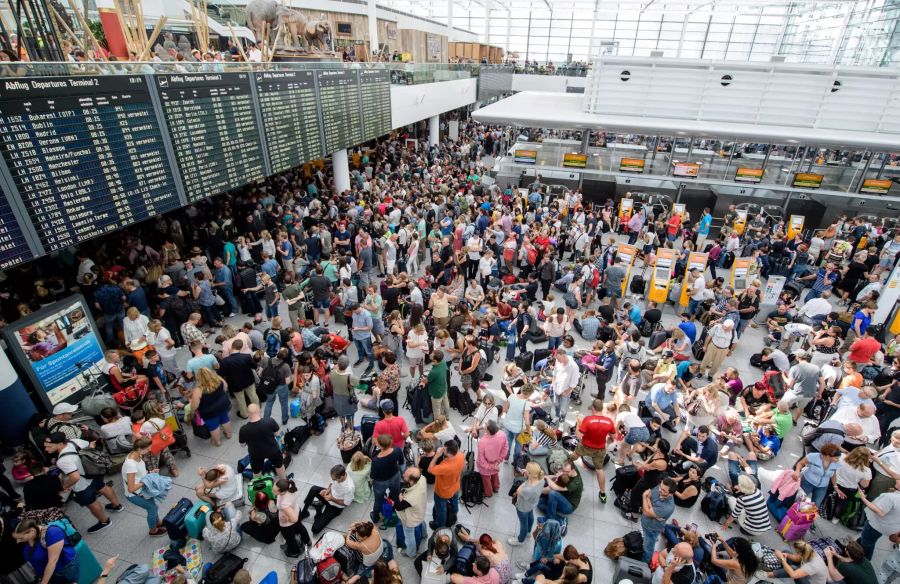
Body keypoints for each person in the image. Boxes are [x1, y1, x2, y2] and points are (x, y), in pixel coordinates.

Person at [43, 432, 123, 534]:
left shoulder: (62, 461)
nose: (46, 449)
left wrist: (64, 486)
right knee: (103, 487)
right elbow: (91, 445)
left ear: (59, 444)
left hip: (82, 485)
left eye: (49, 446)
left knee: (91, 503)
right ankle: (117, 506)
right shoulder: (75, 442)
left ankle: (104, 522)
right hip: (94, 473)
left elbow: (75, 477)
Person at [121, 436, 167, 537]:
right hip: (134, 494)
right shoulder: (131, 464)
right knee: (152, 508)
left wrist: (149, 473)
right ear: (139, 449)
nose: (149, 450)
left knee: (154, 506)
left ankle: (158, 524)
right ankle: (153, 531)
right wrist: (146, 480)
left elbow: (139, 474)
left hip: (142, 490)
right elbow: (131, 488)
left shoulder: (137, 455)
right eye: (147, 448)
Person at [13, 519, 80, 584]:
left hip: (63, 570)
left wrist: (44, 582)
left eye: (21, 538)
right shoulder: (30, 538)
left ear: (32, 531)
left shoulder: (52, 533)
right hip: (47, 574)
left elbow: (53, 561)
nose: (18, 541)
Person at [574, 399, 614, 503]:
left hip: (584, 446)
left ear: (593, 408)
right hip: (600, 450)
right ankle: (602, 493)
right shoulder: (609, 421)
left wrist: (578, 423)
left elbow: (579, 435)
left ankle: (562, 469)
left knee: (573, 457)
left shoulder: (588, 420)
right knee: (599, 470)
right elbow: (614, 436)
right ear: (602, 408)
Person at [299, 464, 355, 535]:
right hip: (329, 495)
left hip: (335, 506)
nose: (334, 480)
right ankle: (304, 512)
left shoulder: (349, 487)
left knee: (315, 529)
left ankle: (318, 510)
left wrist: (332, 499)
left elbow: (346, 503)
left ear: (342, 476)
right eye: (333, 478)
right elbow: (332, 483)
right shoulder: (336, 476)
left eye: (335, 479)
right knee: (314, 489)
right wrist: (327, 490)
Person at [238, 404, 286, 480]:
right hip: (273, 450)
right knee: (279, 466)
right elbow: (277, 434)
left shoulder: (243, 429)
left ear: (248, 413)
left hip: (255, 454)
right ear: (259, 411)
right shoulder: (270, 421)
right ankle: (283, 482)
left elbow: (242, 445)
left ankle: (258, 487)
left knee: (256, 471)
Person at [189, 368, 233, 447]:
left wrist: (191, 406)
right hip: (223, 405)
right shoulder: (218, 379)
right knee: (225, 419)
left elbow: (194, 406)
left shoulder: (198, 390)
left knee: (213, 426)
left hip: (209, 411)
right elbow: (225, 387)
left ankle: (218, 442)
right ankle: (229, 434)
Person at [218, 340, 260, 419]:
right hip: (248, 381)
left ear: (232, 347)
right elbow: (254, 366)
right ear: (241, 348)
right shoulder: (246, 357)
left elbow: (221, 374)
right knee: (253, 395)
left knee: (240, 399)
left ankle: (244, 414)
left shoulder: (224, 361)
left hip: (235, 384)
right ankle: (256, 409)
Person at [429, 439, 465, 528]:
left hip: (443, 491)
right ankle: (454, 516)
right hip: (455, 486)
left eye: (444, 449)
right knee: (454, 502)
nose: (442, 449)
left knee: (441, 509)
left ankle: (440, 525)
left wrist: (436, 455)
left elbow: (430, 469)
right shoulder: (461, 455)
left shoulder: (444, 467)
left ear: (448, 453)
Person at [857, 487, 900, 560]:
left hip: (875, 525)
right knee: (867, 540)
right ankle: (854, 548)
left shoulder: (891, 497)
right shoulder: (894, 496)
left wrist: (863, 498)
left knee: (867, 543)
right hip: (885, 527)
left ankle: (865, 562)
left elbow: (880, 512)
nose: (897, 478)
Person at [370, 434, 403, 526]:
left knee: (378, 500)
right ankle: (394, 510)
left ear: (380, 446)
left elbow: (373, 475)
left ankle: (375, 517)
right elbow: (401, 462)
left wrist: (371, 482)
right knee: (395, 494)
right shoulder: (397, 450)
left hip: (381, 482)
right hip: (395, 476)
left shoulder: (376, 460)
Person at [640, 478, 676, 564]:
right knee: (646, 541)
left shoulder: (667, 507)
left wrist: (644, 497)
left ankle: (644, 563)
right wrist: (650, 505)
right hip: (646, 522)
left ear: (670, 494)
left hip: (652, 529)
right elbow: (649, 499)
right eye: (660, 487)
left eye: (663, 490)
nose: (659, 490)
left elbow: (647, 512)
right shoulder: (660, 487)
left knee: (648, 548)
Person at [395, 467, 428, 559]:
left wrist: (400, 495)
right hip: (420, 510)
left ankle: (411, 553)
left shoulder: (410, 498)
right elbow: (406, 487)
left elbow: (398, 506)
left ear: (411, 481)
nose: (402, 475)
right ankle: (424, 535)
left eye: (405, 476)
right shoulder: (422, 478)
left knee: (409, 536)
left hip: (410, 519)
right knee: (421, 521)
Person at [509, 462, 544, 548]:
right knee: (530, 516)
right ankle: (528, 533)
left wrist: (527, 478)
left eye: (527, 470)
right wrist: (529, 475)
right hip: (532, 503)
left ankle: (520, 540)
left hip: (523, 507)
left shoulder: (528, 489)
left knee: (523, 523)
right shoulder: (541, 480)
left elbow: (518, 491)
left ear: (530, 474)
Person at [273, 478, 310, 558]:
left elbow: (294, 519)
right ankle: (307, 541)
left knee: (289, 537)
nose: (273, 492)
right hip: (296, 510)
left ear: (282, 492)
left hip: (288, 521)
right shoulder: (290, 488)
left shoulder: (283, 503)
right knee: (300, 526)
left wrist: (287, 519)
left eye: (275, 491)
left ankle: (294, 551)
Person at [763, 540, 828, 583]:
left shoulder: (813, 565)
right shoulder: (809, 551)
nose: (796, 553)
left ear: (801, 553)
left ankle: (767, 575)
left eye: (797, 552)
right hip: (807, 573)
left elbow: (794, 575)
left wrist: (782, 559)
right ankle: (778, 571)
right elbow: (797, 558)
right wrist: (786, 555)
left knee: (793, 569)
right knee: (786, 552)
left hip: (809, 582)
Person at [476, 420, 508, 498]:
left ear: (488, 430)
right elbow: (505, 448)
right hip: (496, 462)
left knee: (486, 480)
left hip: (485, 467)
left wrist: (490, 466)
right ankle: (496, 488)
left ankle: (488, 493)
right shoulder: (502, 434)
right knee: (495, 474)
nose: (485, 423)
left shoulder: (482, 442)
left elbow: (481, 459)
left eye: (486, 424)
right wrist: (497, 462)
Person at [262, 348, 294, 426]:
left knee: (269, 402)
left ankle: (265, 420)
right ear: (285, 357)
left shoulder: (267, 360)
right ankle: (284, 419)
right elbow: (287, 382)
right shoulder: (286, 366)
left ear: (277, 352)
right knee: (284, 403)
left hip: (270, 385)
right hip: (281, 386)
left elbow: (261, 373)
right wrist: (292, 377)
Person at [550, 350, 580, 424]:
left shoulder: (574, 367)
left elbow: (574, 382)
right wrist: (553, 384)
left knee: (563, 409)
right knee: (556, 404)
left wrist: (567, 392)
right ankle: (557, 416)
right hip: (556, 388)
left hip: (565, 391)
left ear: (564, 356)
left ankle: (562, 421)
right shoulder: (558, 361)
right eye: (557, 359)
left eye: (559, 359)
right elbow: (555, 374)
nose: (558, 361)